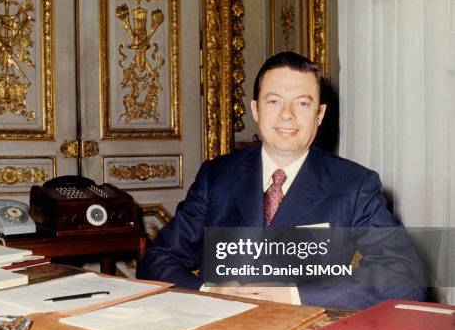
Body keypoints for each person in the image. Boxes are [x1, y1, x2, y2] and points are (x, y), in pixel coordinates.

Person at [136, 52, 426, 310]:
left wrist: (295, 295)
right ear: (255, 109)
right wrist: (210, 290)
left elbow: (405, 278)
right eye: (274, 101)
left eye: (302, 103)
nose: (287, 115)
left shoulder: (354, 185)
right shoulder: (217, 177)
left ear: (319, 114)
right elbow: (157, 260)